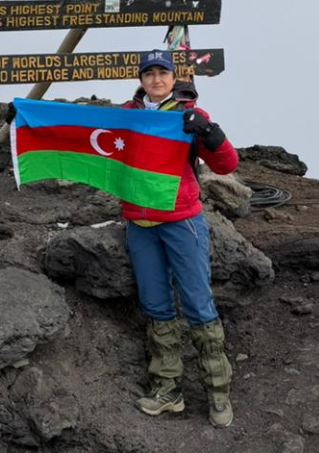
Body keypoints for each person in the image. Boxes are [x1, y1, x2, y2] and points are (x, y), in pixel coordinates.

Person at [122, 50, 239, 428]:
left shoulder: (190, 116)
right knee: (156, 305)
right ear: (141, 78)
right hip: (139, 223)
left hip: (180, 219)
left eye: (163, 73)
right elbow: (82, 135)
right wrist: (26, 122)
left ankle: (218, 393)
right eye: (149, 73)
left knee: (198, 303)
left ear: (174, 78)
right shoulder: (126, 114)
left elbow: (226, 165)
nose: (156, 79)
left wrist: (210, 134)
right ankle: (167, 390)